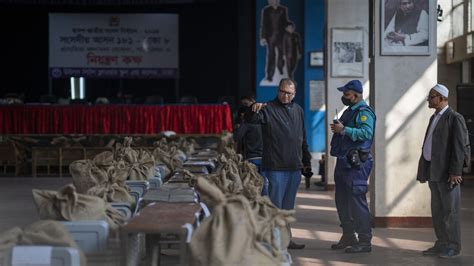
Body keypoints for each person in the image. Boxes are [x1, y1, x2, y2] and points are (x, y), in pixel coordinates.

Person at [246, 78, 312, 249]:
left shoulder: (298, 110)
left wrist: (307, 162)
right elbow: (251, 121)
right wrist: (253, 110)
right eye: (282, 91)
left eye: (289, 93)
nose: (285, 95)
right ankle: (273, 243)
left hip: (294, 168)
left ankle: (286, 240)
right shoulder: (267, 108)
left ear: (294, 94)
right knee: (275, 208)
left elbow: (302, 138)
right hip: (275, 169)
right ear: (278, 91)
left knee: (287, 210)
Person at [416, 84, 467, 258]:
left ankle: (453, 246)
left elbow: (459, 147)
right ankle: (441, 243)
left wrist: (456, 171)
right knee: (437, 210)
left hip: (448, 174)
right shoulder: (434, 117)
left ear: (441, 98)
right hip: (434, 171)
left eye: (431, 97)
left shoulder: (454, 118)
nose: (428, 100)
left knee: (450, 211)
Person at [329, 80, 376, 253]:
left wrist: (344, 130)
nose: (344, 97)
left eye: (346, 94)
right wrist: (339, 128)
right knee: (342, 202)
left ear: (356, 95)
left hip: (356, 164)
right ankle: (348, 235)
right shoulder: (349, 112)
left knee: (357, 202)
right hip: (344, 161)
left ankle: (364, 241)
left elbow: (367, 132)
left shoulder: (364, 113)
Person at [233, 96, 267, 195]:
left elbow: (236, 137)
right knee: (264, 183)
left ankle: (253, 207)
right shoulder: (264, 123)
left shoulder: (247, 123)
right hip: (265, 158)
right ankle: (265, 204)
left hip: (252, 159)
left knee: (251, 185)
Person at [260, 0, 289, 82]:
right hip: (270, 37)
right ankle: (270, 75)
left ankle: (280, 67)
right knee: (271, 56)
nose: (273, 1)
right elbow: (264, 24)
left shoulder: (283, 9)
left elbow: (285, 22)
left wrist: (289, 27)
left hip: (281, 36)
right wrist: (262, 37)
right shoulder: (266, 10)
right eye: (271, 0)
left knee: (281, 53)